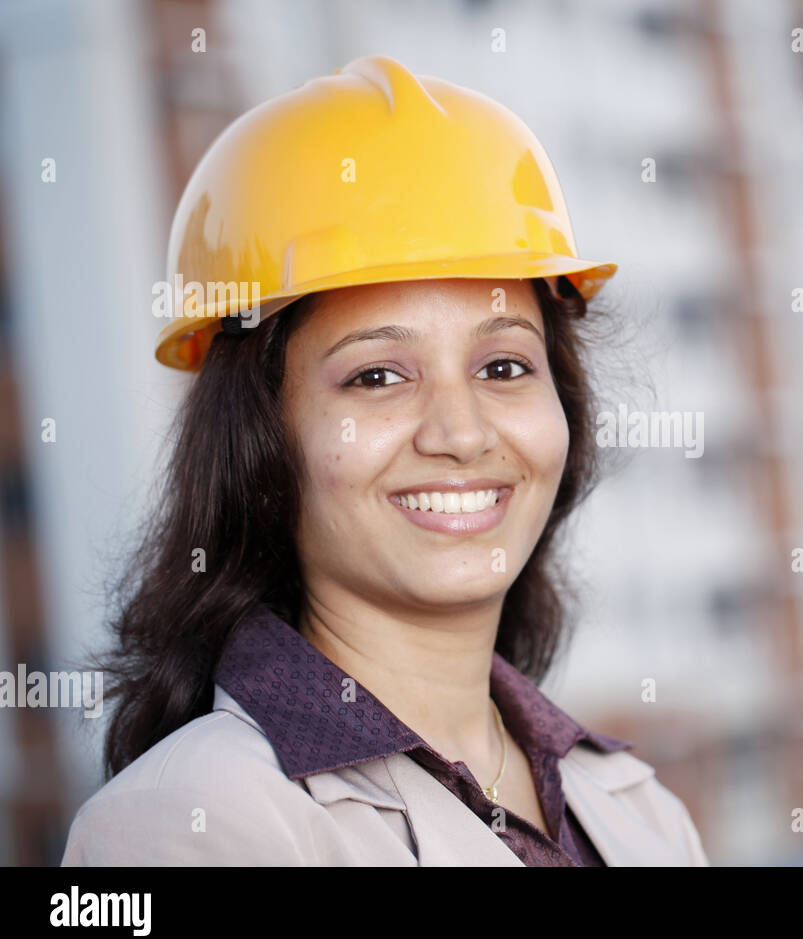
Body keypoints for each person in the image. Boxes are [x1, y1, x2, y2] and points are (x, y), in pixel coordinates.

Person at [60, 55, 709, 866]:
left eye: (503, 366)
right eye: (377, 376)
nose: (461, 434)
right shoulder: (184, 825)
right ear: (260, 441)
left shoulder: (640, 812)